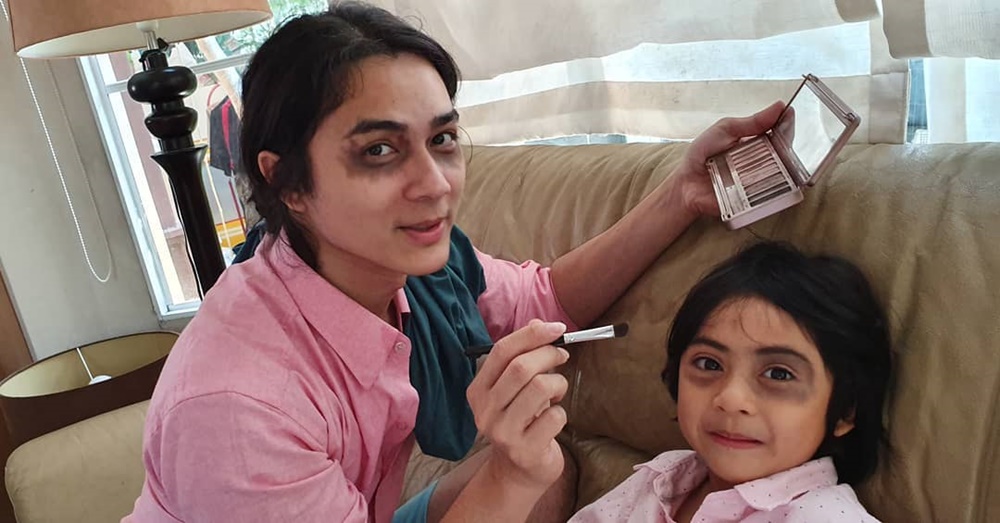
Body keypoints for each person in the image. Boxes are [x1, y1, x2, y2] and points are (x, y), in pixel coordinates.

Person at [124, 3, 787, 522]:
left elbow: (545, 301)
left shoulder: (412, 270)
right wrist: (510, 473)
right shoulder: (239, 408)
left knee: (550, 470)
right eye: (379, 151)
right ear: (287, 183)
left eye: (442, 139)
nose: (436, 184)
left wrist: (679, 196)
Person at [570, 242, 893, 522]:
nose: (731, 398)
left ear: (845, 410)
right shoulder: (660, 478)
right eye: (709, 364)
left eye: (779, 374)